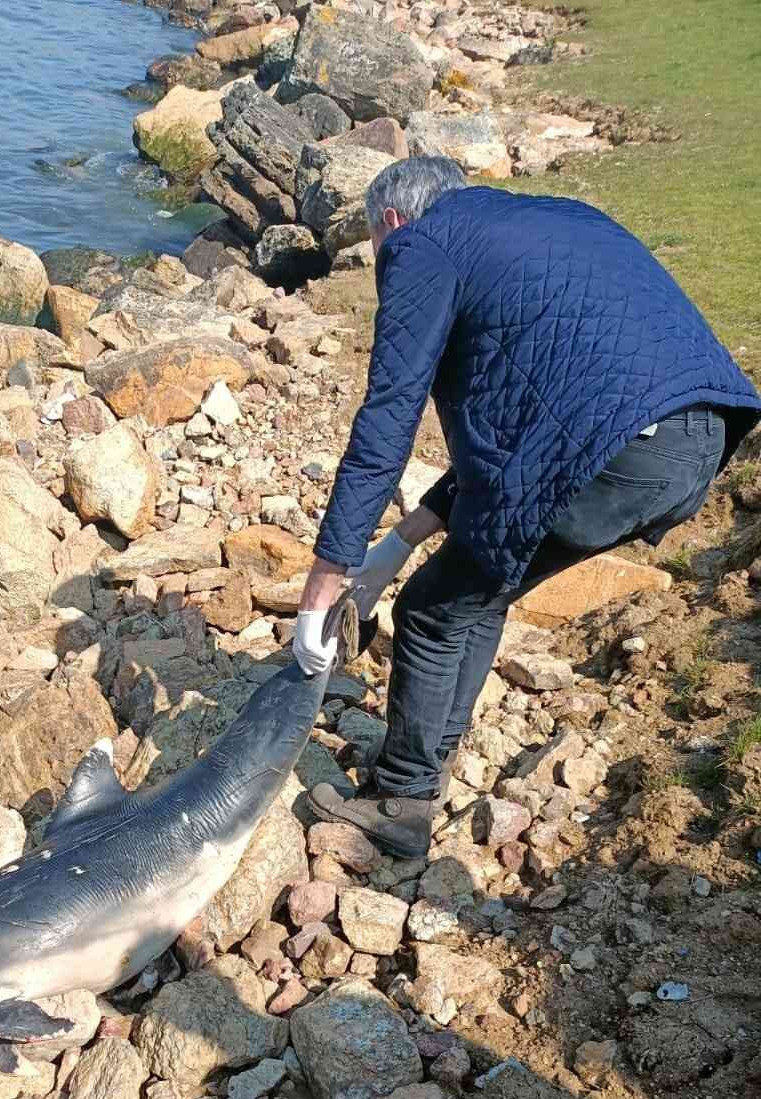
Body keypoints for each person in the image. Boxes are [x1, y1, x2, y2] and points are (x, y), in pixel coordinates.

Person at [293, 156, 761, 859]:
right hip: (702, 435)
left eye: (373, 247)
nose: (380, 263)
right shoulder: (556, 216)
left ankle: (402, 801)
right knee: (479, 583)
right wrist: (398, 540)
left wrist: (323, 585)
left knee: (432, 608)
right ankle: (426, 769)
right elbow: (534, 429)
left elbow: (387, 419)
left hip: (617, 450)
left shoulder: (421, 244)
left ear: (391, 221)